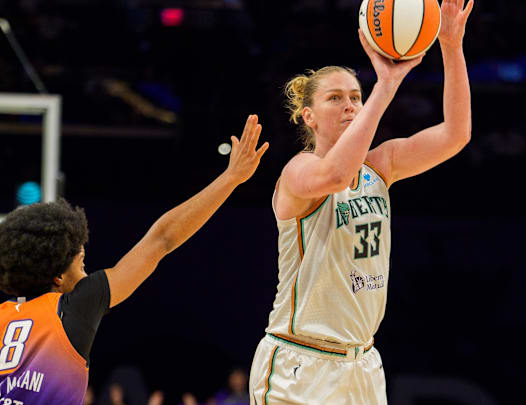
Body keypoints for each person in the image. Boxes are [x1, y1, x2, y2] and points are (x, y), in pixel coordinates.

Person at [248, 0, 473, 403]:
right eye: (335, 98)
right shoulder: (299, 173)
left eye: (355, 96)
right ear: (308, 117)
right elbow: (334, 176)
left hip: (363, 364)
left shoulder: (380, 166)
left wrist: (451, 46)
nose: (351, 105)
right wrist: (385, 84)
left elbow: (456, 135)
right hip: (301, 363)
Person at [0, 115, 268, 404]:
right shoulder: (75, 304)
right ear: (58, 278)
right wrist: (230, 179)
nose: (86, 272)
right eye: (81, 265)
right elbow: (161, 239)